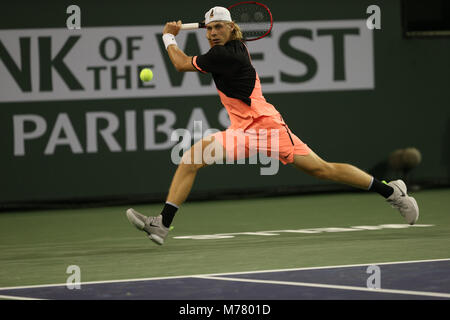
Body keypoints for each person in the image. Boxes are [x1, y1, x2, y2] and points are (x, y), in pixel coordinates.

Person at [126, 6, 419, 245]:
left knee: (322, 169)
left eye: (219, 27)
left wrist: (169, 37)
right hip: (241, 131)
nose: (214, 33)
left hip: (268, 128)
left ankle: (391, 193)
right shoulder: (223, 51)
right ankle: (162, 224)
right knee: (191, 158)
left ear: (231, 29)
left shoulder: (227, 54)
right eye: (210, 28)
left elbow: (179, 64)